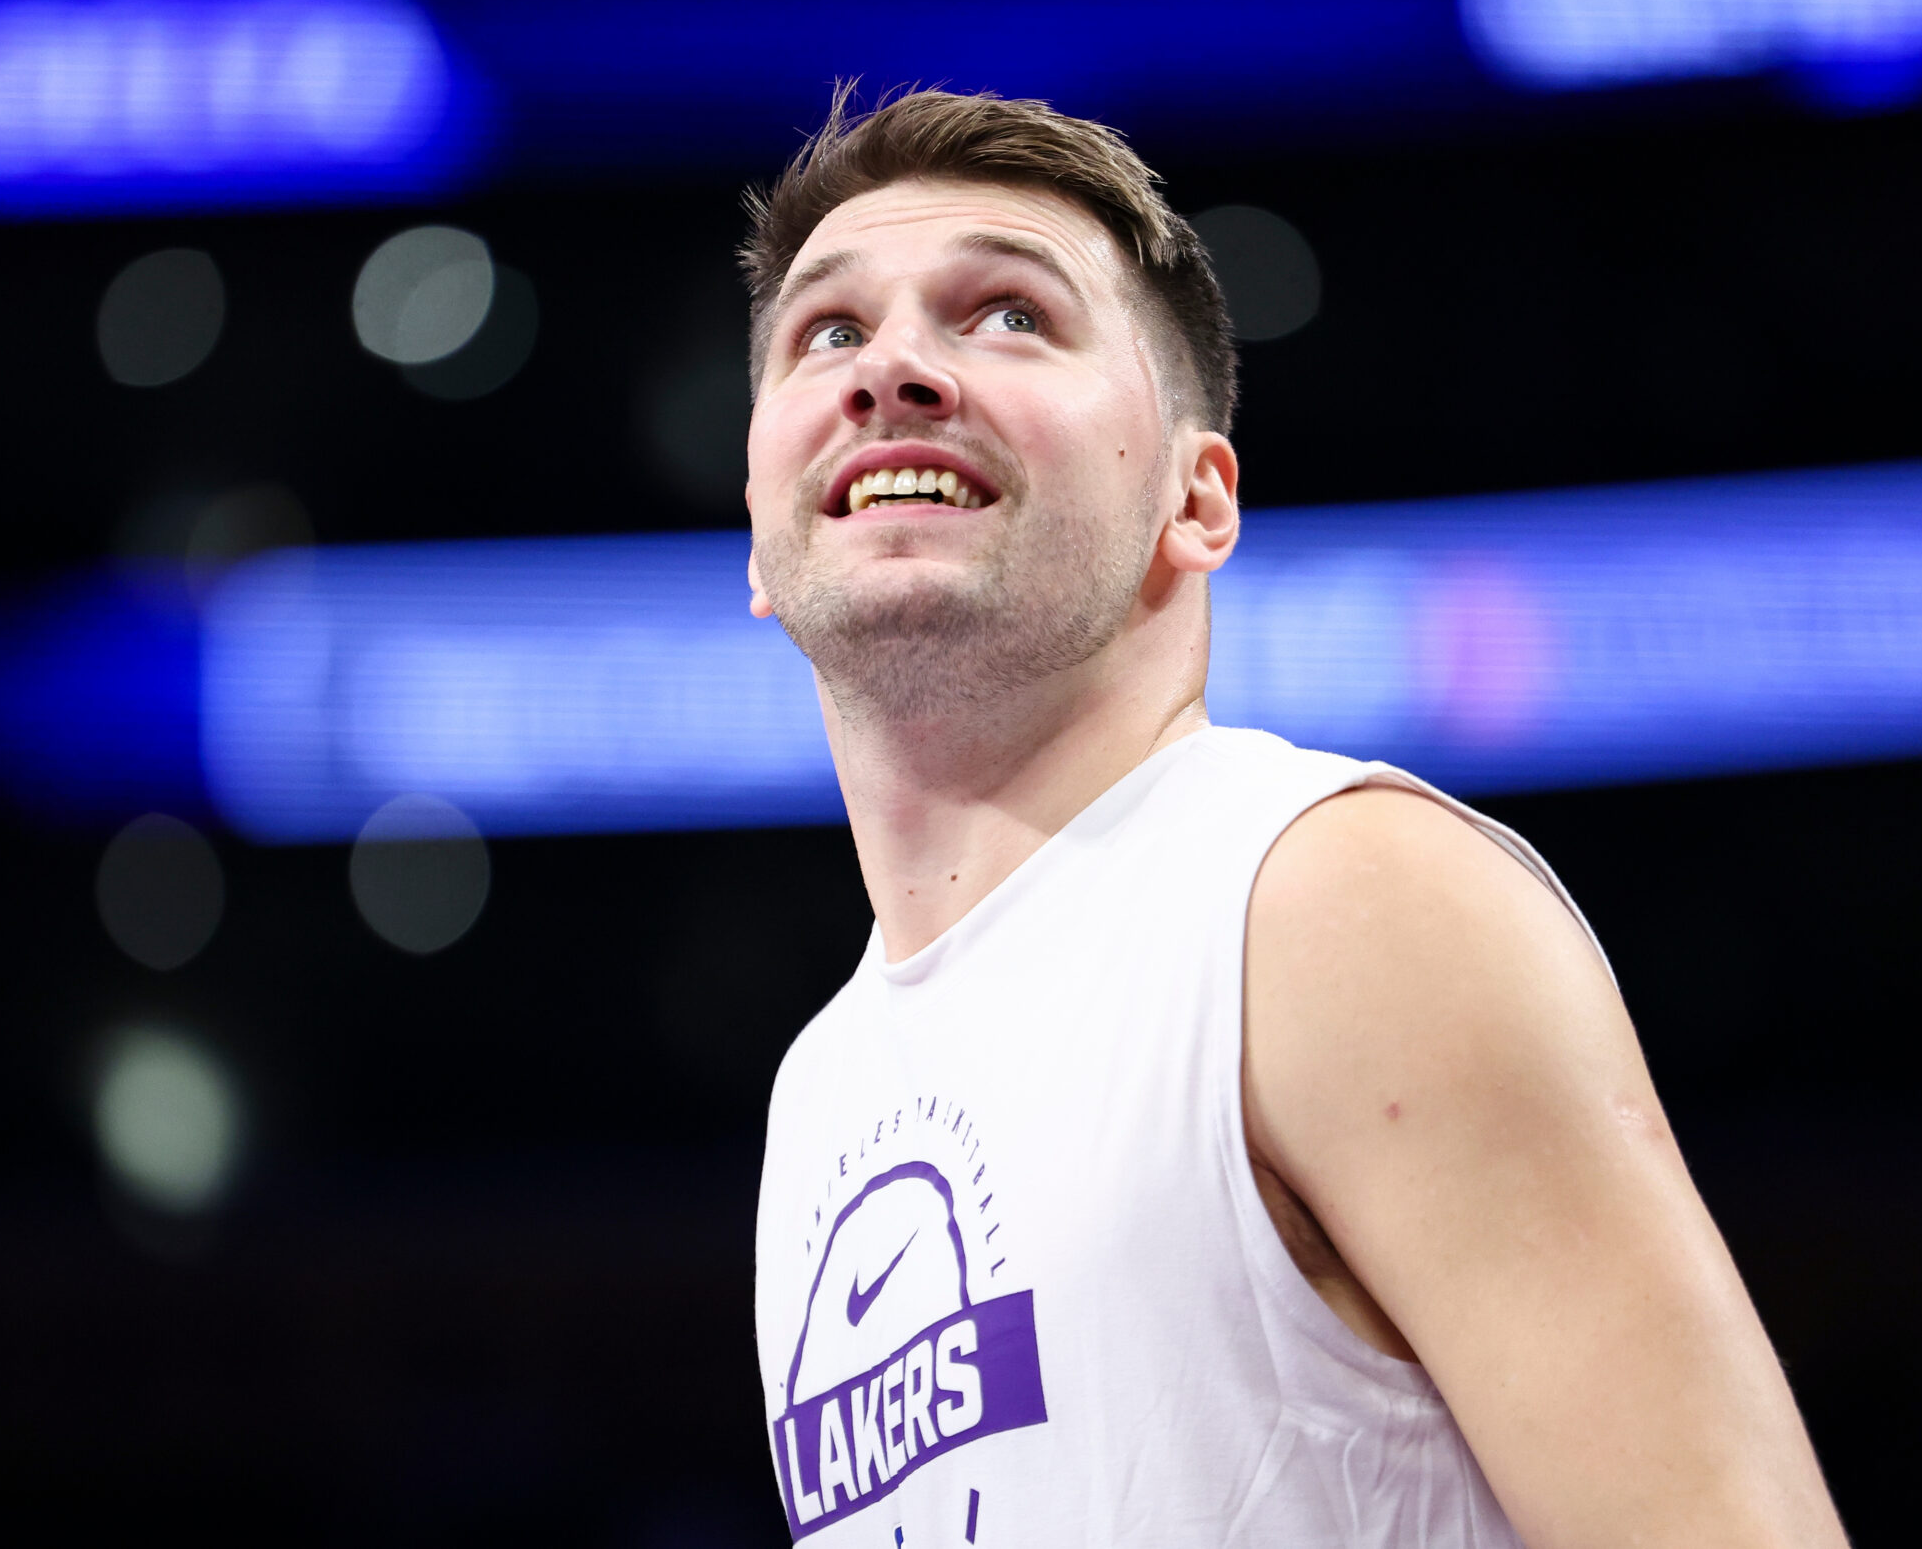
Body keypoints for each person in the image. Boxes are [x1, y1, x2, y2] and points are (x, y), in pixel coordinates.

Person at [742, 87, 1848, 1547]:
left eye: (1007, 313)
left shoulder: (1331, 895)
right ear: (758, 538)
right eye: (829, 330)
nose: (892, 371)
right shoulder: (820, 1091)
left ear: (1197, 503)